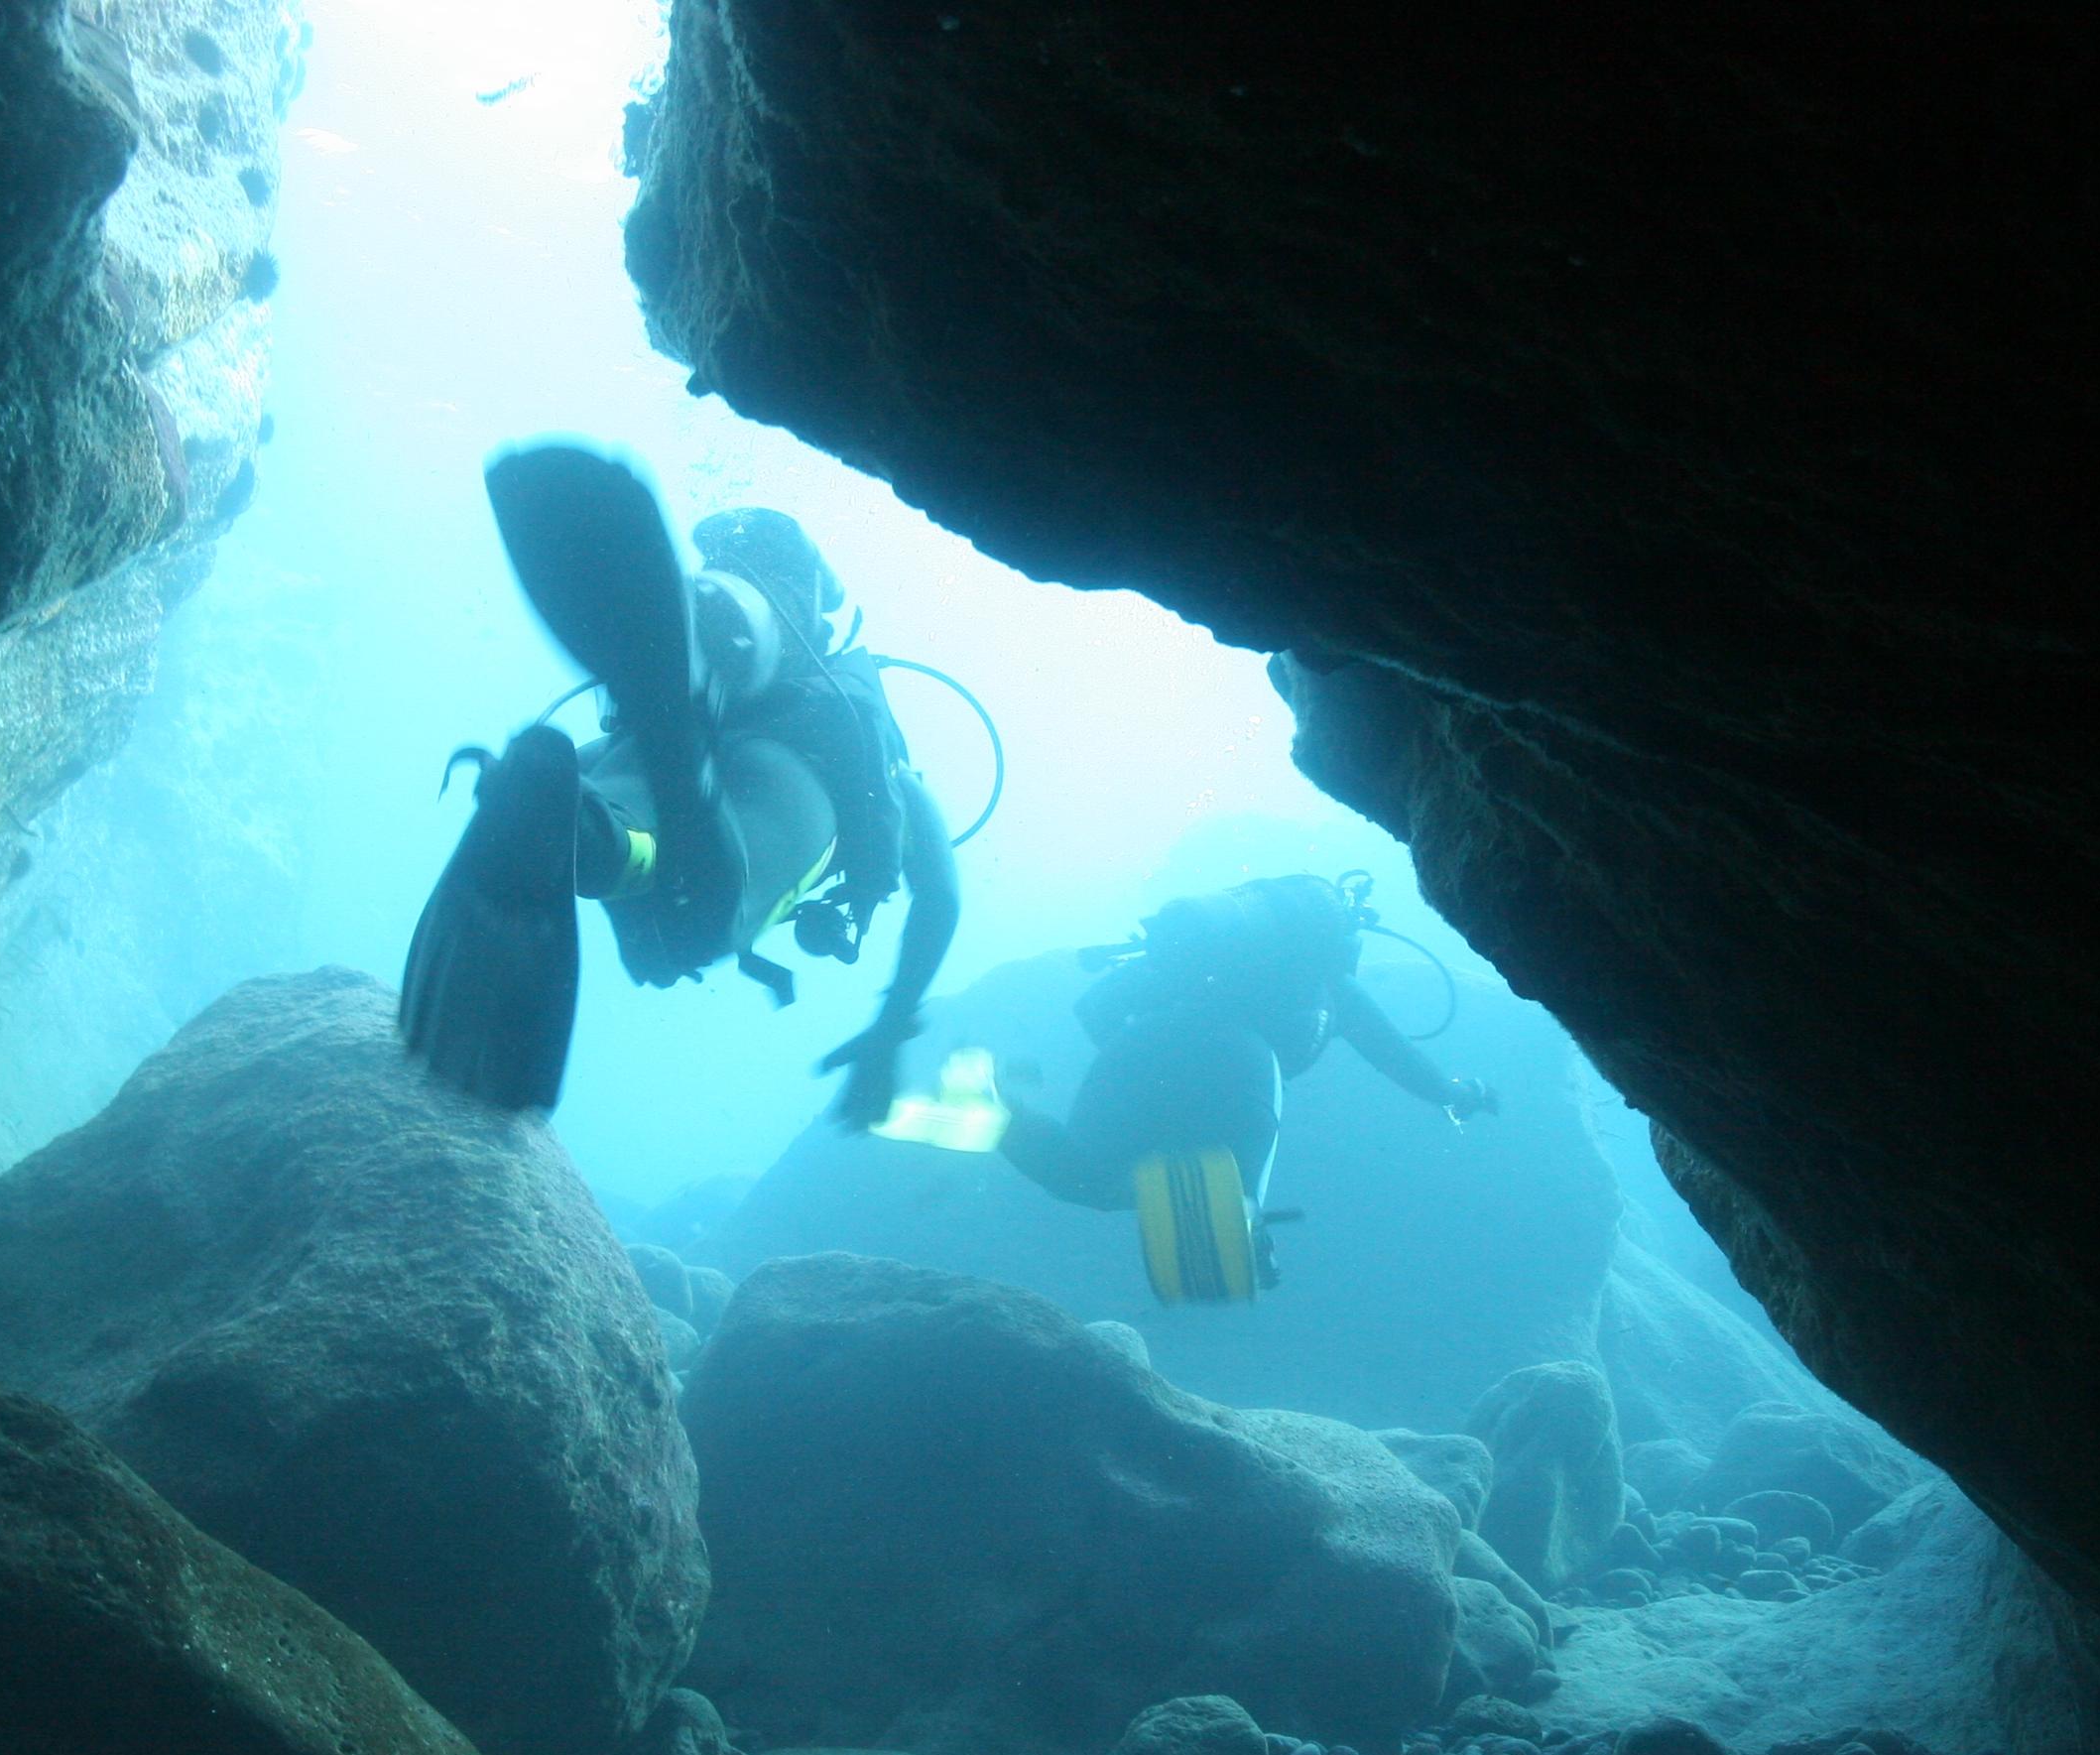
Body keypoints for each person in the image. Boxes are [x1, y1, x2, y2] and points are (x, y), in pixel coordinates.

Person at [401, 444, 960, 1121]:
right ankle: (665, 763)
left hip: (638, 751)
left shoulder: (725, 694)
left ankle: (591, 796)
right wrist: (892, 1026)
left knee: (601, 807)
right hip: (772, 790)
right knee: (705, 919)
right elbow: (941, 895)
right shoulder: (855, 734)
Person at [985, 871, 1495, 1299]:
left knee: (1084, 1181)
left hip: (1141, 1046)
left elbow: (1093, 1007)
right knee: (1229, 1207)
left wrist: (1150, 1077)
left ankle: (998, 1111)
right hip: (1244, 1067)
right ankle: (1241, 1229)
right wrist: (1458, 1094)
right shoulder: (1332, 988)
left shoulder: (1194, 965)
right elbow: (1398, 1058)